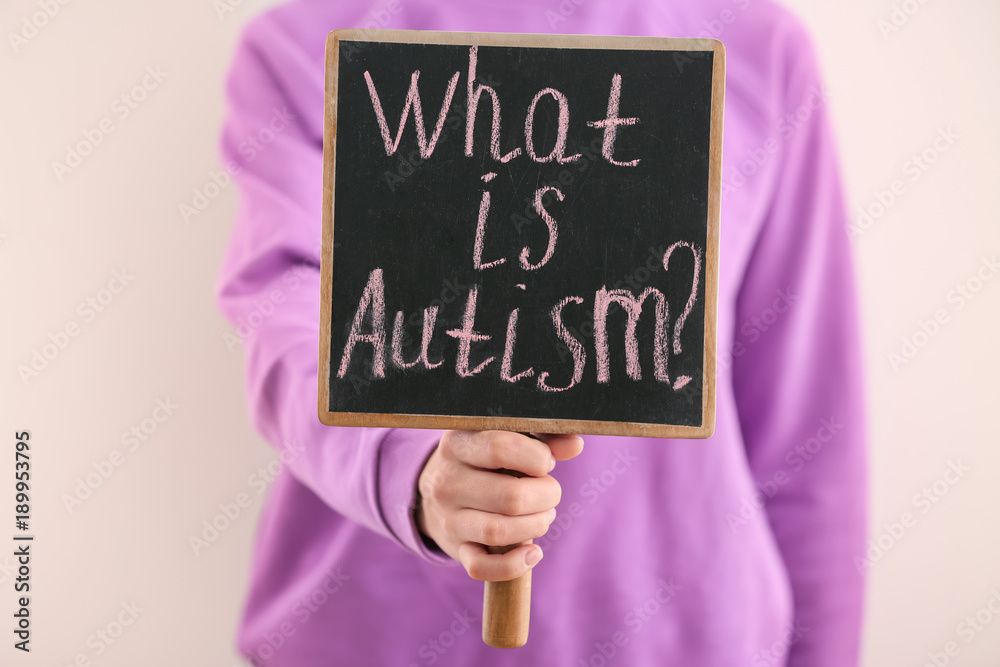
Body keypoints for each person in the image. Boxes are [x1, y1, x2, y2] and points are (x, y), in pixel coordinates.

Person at [215, 0, 868, 665]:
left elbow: (809, 426)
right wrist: (411, 470)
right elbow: (283, 320)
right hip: (369, 636)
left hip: (682, 637)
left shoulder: (758, 47)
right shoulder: (304, 44)